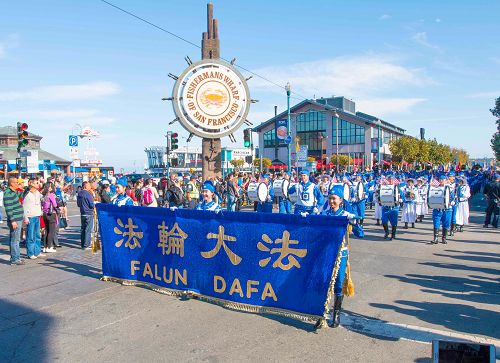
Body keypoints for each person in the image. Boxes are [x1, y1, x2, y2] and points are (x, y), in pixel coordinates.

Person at [319, 186, 361, 328]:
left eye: (334, 199)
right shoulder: (325, 214)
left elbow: (360, 233)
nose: (331, 201)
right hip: (326, 253)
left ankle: (336, 314)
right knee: (323, 282)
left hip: (340, 254)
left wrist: (354, 220)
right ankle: (321, 314)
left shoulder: (345, 215)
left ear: (341, 200)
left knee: (338, 283)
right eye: (330, 198)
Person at [3, 177, 26, 265]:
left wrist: (25, 188)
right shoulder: (8, 193)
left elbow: (22, 195)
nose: (18, 184)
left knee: (15, 239)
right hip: (15, 219)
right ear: (11, 184)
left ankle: (16, 257)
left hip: (18, 218)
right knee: (15, 240)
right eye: (16, 182)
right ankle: (15, 259)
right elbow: (8, 209)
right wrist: (13, 221)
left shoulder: (14, 192)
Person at [22, 178, 44, 259]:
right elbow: (23, 206)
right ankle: (30, 253)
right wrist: (25, 217)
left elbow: (41, 200)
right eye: (36, 183)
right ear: (31, 184)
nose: (38, 184)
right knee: (30, 236)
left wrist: (41, 210)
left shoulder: (37, 192)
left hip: (37, 215)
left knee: (37, 235)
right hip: (30, 216)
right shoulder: (26, 193)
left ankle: (37, 252)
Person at [430, 175, 455, 244]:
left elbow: (452, 197)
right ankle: (436, 238)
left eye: (443, 180)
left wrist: (452, 201)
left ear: (446, 180)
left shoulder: (449, 188)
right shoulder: (435, 188)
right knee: (436, 223)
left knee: (446, 223)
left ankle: (444, 238)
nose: (441, 181)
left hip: (447, 209)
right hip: (437, 208)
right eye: (440, 180)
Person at [41, 182, 59, 253]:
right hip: (51, 214)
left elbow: (42, 204)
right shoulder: (51, 195)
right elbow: (54, 204)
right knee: (51, 231)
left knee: (47, 230)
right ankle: (49, 246)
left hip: (45, 214)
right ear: (49, 188)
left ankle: (45, 247)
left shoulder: (44, 195)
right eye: (51, 186)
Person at [381, 174, 400, 240]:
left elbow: (401, 195)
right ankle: (386, 232)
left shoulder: (396, 187)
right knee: (384, 221)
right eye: (389, 179)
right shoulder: (384, 187)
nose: (390, 181)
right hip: (385, 207)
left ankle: (393, 234)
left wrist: (400, 199)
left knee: (394, 222)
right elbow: (379, 194)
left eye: (392, 179)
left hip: (394, 207)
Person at [77, 181, 95, 249]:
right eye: (88, 186)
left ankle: (82, 244)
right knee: (88, 229)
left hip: (82, 213)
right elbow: (91, 204)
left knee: (83, 229)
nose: (90, 187)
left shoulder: (79, 193)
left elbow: (78, 204)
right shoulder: (88, 194)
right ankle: (86, 244)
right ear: (85, 186)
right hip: (89, 213)